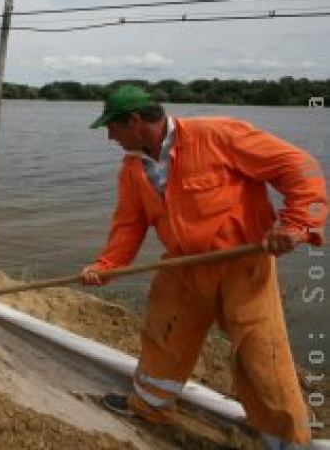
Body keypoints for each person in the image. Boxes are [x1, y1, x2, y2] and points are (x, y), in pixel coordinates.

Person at [81, 84, 327, 448]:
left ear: (134, 121)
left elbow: (302, 168)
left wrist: (294, 224)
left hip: (241, 264)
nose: (109, 137)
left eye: (112, 128)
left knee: (260, 353)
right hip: (182, 266)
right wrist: (107, 264)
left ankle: (286, 440)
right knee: (163, 335)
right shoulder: (133, 167)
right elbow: (129, 225)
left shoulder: (217, 134)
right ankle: (150, 406)